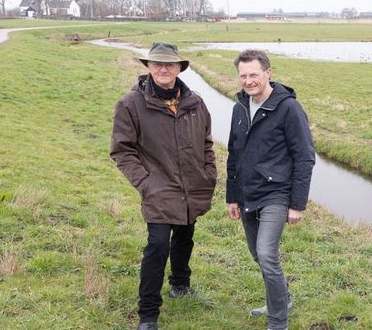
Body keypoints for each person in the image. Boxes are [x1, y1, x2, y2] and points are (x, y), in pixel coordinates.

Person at [110, 42, 217, 330]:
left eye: (169, 64)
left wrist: (208, 174)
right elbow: (122, 150)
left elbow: (207, 143)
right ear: (147, 67)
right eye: (157, 64)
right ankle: (148, 315)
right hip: (158, 190)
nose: (163, 69)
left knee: (184, 237)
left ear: (180, 68)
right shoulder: (130, 104)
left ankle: (180, 284)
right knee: (157, 247)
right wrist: (146, 183)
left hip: (192, 188)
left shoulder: (195, 102)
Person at [226, 49, 315, 330]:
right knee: (256, 253)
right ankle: (282, 297)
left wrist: (297, 204)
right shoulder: (239, 107)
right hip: (247, 192)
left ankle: (278, 322)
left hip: (276, 193)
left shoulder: (288, 108)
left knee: (266, 252)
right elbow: (234, 153)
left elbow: (304, 157)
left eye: (254, 74)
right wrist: (232, 195)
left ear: (268, 73)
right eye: (243, 75)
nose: (248, 80)